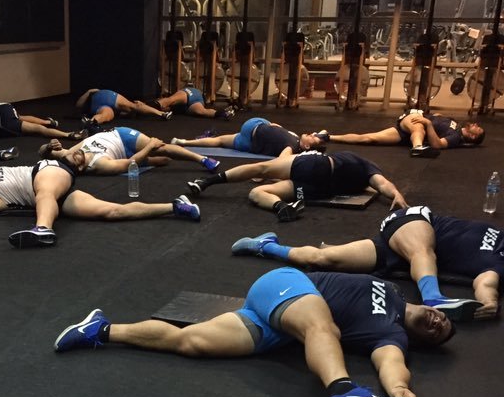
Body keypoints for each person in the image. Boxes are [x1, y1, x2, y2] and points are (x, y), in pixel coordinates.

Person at [54, 267, 455, 397]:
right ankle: (343, 391)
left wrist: (399, 389)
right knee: (322, 326)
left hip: (279, 324)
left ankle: (102, 330)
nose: (437, 323)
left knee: (191, 341)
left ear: (422, 340)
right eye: (442, 318)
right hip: (289, 285)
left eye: (438, 333)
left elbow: (391, 362)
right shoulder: (390, 287)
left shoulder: (392, 334)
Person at [231, 205, 500, 322]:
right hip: (415, 222)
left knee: (323, 259)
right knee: (423, 251)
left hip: (397, 254)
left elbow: (486, 282)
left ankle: (265, 245)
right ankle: (433, 298)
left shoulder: (498, 265)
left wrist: (489, 302)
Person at [0, 155, 201, 246]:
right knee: (112, 212)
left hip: (45, 173)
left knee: (44, 193)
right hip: (51, 193)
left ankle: (43, 228)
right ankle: (177, 206)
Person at [186, 150, 407, 223]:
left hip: (317, 166)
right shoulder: (367, 174)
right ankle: (282, 207)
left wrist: (395, 193)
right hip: (316, 190)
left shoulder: (367, 165)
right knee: (256, 192)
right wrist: (395, 195)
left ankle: (207, 182)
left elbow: (382, 182)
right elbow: (381, 184)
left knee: (260, 168)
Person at [39, 128, 221, 174]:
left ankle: (202, 159)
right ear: (80, 168)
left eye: (73, 154)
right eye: (76, 159)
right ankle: (152, 157)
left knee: (164, 152)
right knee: (161, 153)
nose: (76, 154)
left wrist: (48, 147)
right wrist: (150, 146)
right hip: (123, 147)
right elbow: (130, 163)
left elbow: (42, 153)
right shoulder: (99, 165)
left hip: (120, 134)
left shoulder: (70, 155)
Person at [325, 110, 485, 157]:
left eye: (478, 129)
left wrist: (428, 123)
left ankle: (327, 136)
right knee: (419, 127)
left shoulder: (456, 138)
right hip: (413, 119)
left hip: (413, 128)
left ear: (472, 137)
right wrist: (432, 118)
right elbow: (436, 116)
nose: (476, 124)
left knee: (368, 138)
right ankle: (418, 147)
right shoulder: (455, 124)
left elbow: (438, 145)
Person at [170, 117, 328, 157]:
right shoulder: (295, 137)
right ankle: (183, 142)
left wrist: (263, 176)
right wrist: (320, 138)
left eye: (313, 138)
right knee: (219, 141)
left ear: (307, 146)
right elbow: (324, 132)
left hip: (250, 139)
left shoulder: (292, 147)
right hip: (256, 127)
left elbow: (281, 161)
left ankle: (185, 143)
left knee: (220, 141)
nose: (312, 134)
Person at [0, 104, 86, 142]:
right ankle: (48, 122)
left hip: (2, 120)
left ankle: (68, 135)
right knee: (20, 117)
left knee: (37, 130)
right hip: (2, 107)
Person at [76, 88, 172, 127]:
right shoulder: (131, 107)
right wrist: (89, 92)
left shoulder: (117, 111)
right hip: (104, 97)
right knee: (133, 106)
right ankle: (162, 114)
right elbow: (78, 105)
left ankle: (91, 122)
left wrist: (89, 92)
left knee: (106, 116)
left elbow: (78, 105)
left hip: (100, 102)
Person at [152, 87, 236, 120]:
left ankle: (149, 106)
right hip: (192, 104)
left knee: (170, 100)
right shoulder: (170, 109)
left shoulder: (168, 100)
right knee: (201, 112)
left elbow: (166, 102)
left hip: (191, 92)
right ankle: (224, 113)